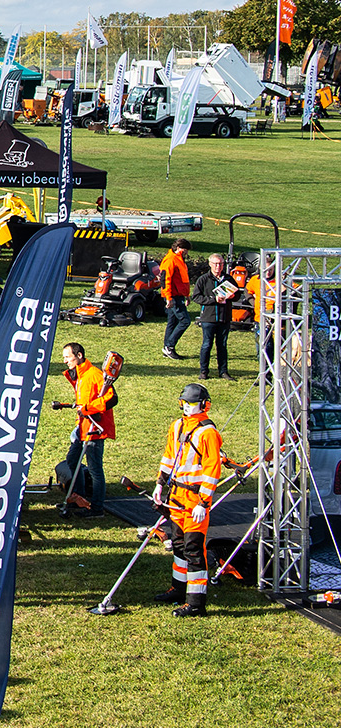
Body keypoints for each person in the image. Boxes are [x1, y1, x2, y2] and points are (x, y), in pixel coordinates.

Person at [156, 382, 224, 617]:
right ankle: (178, 589)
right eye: (184, 403)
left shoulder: (208, 433)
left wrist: (204, 503)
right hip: (176, 496)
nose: (186, 407)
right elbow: (168, 457)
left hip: (195, 500)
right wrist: (159, 483)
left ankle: (196, 602)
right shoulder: (176, 427)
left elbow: (212, 470)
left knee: (194, 550)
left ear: (204, 405)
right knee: (178, 545)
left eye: (191, 404)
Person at [56, 342, 115, 518]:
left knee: (95, 468)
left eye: (68, 357)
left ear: (79, 355)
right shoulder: (80, 375)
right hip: (82, 427)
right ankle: (79, 498)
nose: (65, 361)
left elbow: (112, 399)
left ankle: (97, 508)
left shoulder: (95, 374)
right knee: (72, 460)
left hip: (95, 429)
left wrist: (89, 409)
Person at [192, 252, 235, 380]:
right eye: (216, 264)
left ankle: (223, 371)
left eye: (221, 264)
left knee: (222, 345)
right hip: (208, 318)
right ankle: (204, 371)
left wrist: (233, 296)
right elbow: (196, 297)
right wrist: (213, 299)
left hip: (224, 317)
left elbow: (237, 294)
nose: (218, 267)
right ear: (210, 264)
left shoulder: (228, 279)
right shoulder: (203, 280)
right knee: (207, 345)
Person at [161, 237, 193, 359]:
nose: (187, 252)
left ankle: (167, 348)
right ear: (179, 248)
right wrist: (168, 297)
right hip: (173, 296)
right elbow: (165, 280)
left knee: (173, 322)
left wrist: (187, 295)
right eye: (185, 249)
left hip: (177, 295)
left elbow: (182, 280)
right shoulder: (171, 260)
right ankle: (169, 346)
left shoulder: (179, 260)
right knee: (185, 321)